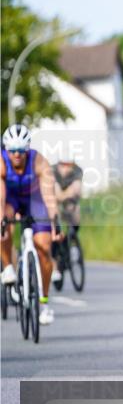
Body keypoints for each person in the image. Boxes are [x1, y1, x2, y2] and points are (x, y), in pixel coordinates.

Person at [1, 124, 63, 324]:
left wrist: (55, 219)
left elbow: (48, 195)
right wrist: (2, 216)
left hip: (34, 199)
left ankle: (44, 303)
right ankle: (8, 266)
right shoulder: (2, 162)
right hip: (10, 199)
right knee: (3, 221)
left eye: (21, 150)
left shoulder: (39, 161)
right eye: (12, 150)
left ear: (27, 149)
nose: (17, 155)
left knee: (44, 246)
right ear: (6, 149)